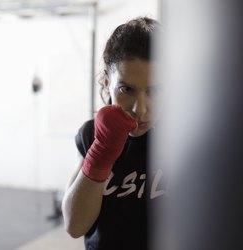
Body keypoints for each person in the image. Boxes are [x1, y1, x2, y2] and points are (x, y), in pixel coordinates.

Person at [62, 17, 162, 250]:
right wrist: (102, 152)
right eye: (126, 89)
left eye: (155, 90)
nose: (141, 109)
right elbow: (74, 226)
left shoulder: (180, 140)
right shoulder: (92, 134)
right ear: (107, 82)